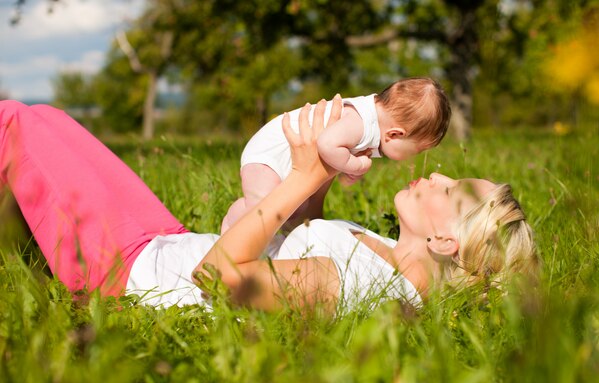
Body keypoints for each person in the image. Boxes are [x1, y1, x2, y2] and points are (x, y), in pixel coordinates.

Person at [0, 97, 538, 312]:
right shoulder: (380, 256)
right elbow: (298, 236)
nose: (436, 174)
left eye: (450, 190)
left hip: (129, 271)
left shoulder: (361, 286)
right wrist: (319, 170)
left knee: (14, 126)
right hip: (165, 242)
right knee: (45, 116)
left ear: (446, 241)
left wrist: (301, 178)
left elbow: (218, 279)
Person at [220, 77, 452, 234]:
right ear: (394, 134)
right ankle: (235, 218)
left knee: (292, 211)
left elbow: (336, 151)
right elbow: (327, 144)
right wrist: (356, 165)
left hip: (288, 158)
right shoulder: (359, 122)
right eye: (416, 151)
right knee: (265, 210)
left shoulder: (372, 121)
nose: (412, 158)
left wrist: (347, 165)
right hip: (270, 154)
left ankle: (269, 240)